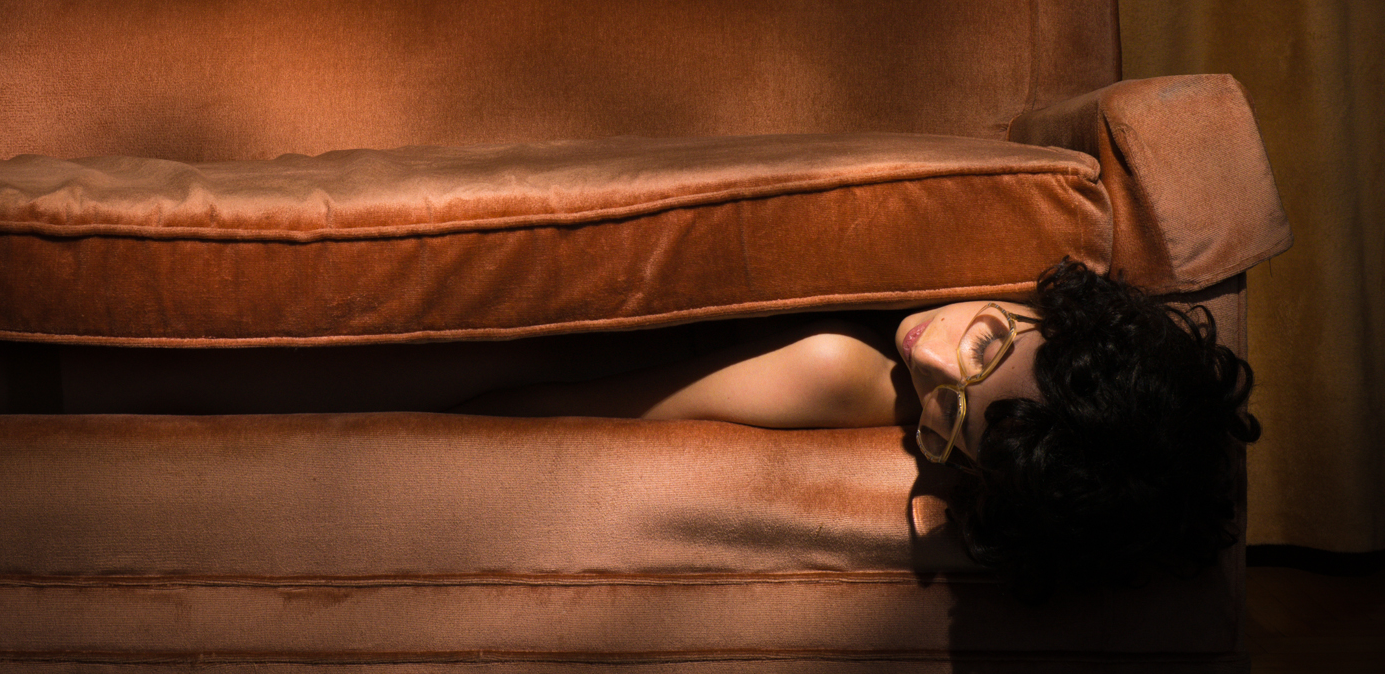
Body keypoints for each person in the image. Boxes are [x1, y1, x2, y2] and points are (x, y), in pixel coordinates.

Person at [451, 258, 1260, 601]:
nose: (932, 358)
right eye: (984, 343)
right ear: (1062, 309)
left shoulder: (833, 370)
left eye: (947, 417)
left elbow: (570, 407)